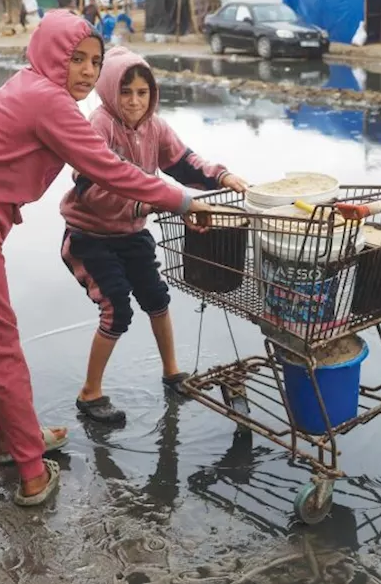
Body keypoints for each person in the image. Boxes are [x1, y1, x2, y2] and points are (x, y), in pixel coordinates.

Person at [0, 12, 215, 506]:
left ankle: (15, 441)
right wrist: (184, 201)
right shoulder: (49, 100)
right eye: (76, 59)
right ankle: (32, 473)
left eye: (94, 61)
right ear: (51, 55)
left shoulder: (32, 88)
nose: (87, 71)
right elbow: (111, 170)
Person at [59, 48, 247, 425]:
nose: (133, 101)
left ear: (152, 95)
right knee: (117, 308)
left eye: (142, 93)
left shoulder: (154, 126)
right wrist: (160, 205)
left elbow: (183, 161)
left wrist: (222, 177)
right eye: (125, 92)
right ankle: (90, 393)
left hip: (132, 233)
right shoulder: (97, 126)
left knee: (157, 299)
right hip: (90, 236)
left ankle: (172, 372)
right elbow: (94, 193)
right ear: (110, 90)